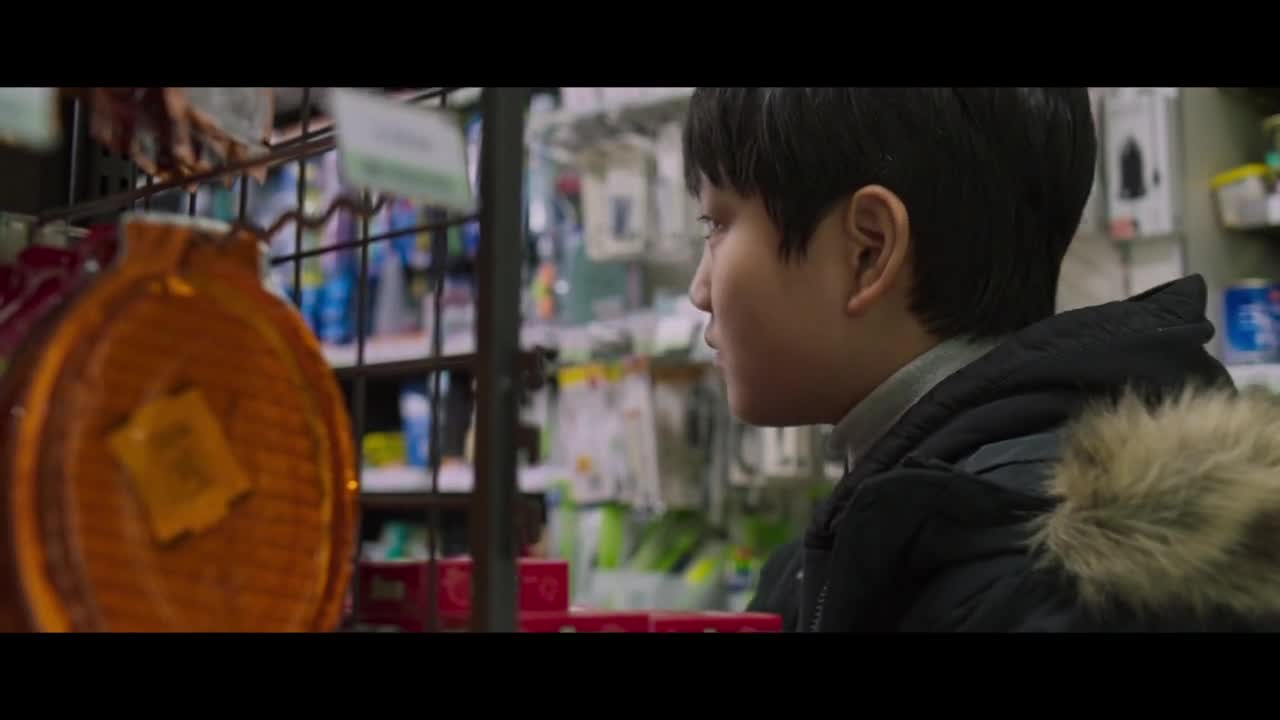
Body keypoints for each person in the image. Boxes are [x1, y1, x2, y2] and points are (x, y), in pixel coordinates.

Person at [685, 87, 1280, 632]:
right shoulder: (877, 548)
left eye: (717, 224)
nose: (699, 290)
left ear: (869, 250)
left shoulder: (1051, 592)